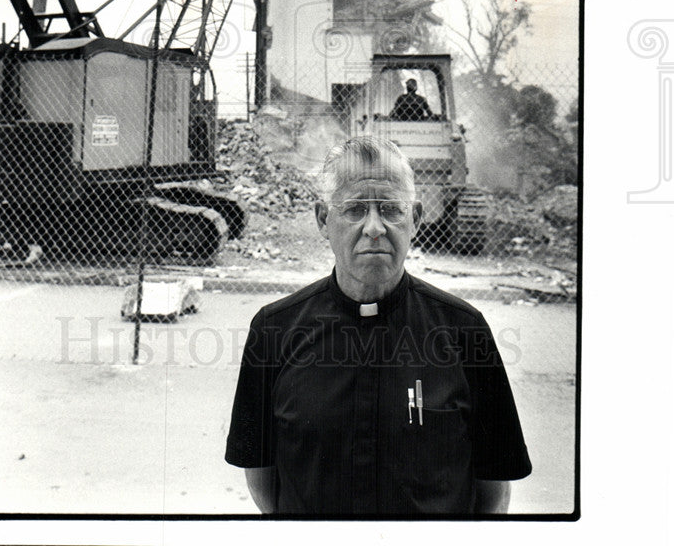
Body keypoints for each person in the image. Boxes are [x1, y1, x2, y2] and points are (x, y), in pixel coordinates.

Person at [225, 137, 531, 515]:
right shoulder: (274, 330)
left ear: (416, 219)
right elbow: (261, 480)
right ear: (323, 219)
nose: (374, 227)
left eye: (390, 209)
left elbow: (493, 492)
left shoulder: (464, 331)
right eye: (354, 209)